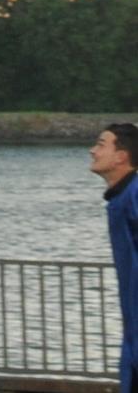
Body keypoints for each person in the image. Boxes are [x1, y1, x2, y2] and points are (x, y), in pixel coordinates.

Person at [94, 123, 138, 393]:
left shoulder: (134, 194)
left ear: (121, 156)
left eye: (100, 144)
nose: (92, 150)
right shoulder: (122, 197)